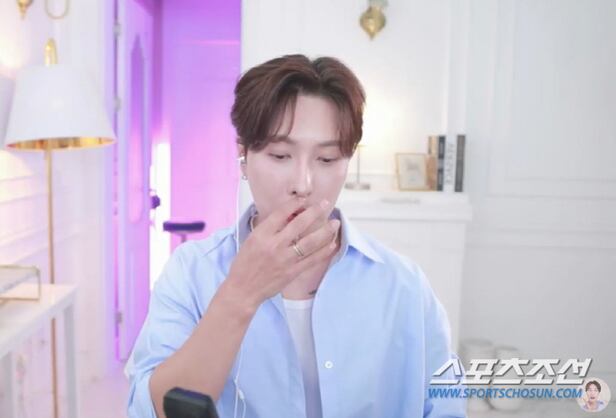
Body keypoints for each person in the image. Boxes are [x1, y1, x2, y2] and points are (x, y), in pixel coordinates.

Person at [127, 54, 466, 418]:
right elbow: (151, 410)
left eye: (327, 159)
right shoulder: (191, 273)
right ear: (243, 155)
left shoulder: (403, 285)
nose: (303, 185)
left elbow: (446, 407)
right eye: (280, 155)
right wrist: (241, 293)